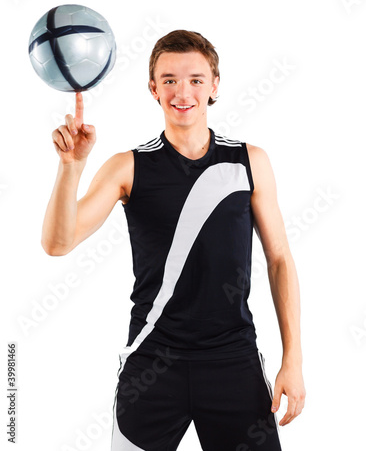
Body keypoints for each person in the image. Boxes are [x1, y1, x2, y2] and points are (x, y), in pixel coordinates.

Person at [42, 30, 306, 451]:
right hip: (151, 362)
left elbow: (279, 260)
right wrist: (71, 166)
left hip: (232, 361)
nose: (182, 92)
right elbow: (57, 243)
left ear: (214, 85)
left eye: (196, 80)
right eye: (169, 80)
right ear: (153, 88)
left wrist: (292, 357)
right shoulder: (127, 167)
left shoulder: (249, 161)